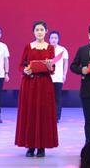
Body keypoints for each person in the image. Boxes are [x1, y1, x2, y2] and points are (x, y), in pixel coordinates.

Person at [15, 21, 59, 157]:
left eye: (42, 30)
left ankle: (41, 146)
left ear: (46, 31)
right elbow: (21, 65)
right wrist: (25, 70)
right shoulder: (28, 46)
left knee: (43, 114)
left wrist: (50, 66)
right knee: (30, 113)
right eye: (37, 30)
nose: (39, 32)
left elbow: (53, 68)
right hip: (30, 83)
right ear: (33, 32)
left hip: (45, 84)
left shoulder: (50, 48)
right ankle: (30, 146)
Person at [49, 31, 69, 123]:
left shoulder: (63, 50)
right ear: (49, 39)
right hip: (47, 77)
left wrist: (64, 75)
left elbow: (65, 63)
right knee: (47, 98)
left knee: (57, 97)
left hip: (58, 77)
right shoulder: (45, 48)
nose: (54, 40)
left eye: (55, 38)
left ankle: (57, 116)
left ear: (58, 39)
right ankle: (48, 115)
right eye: (52, 38)